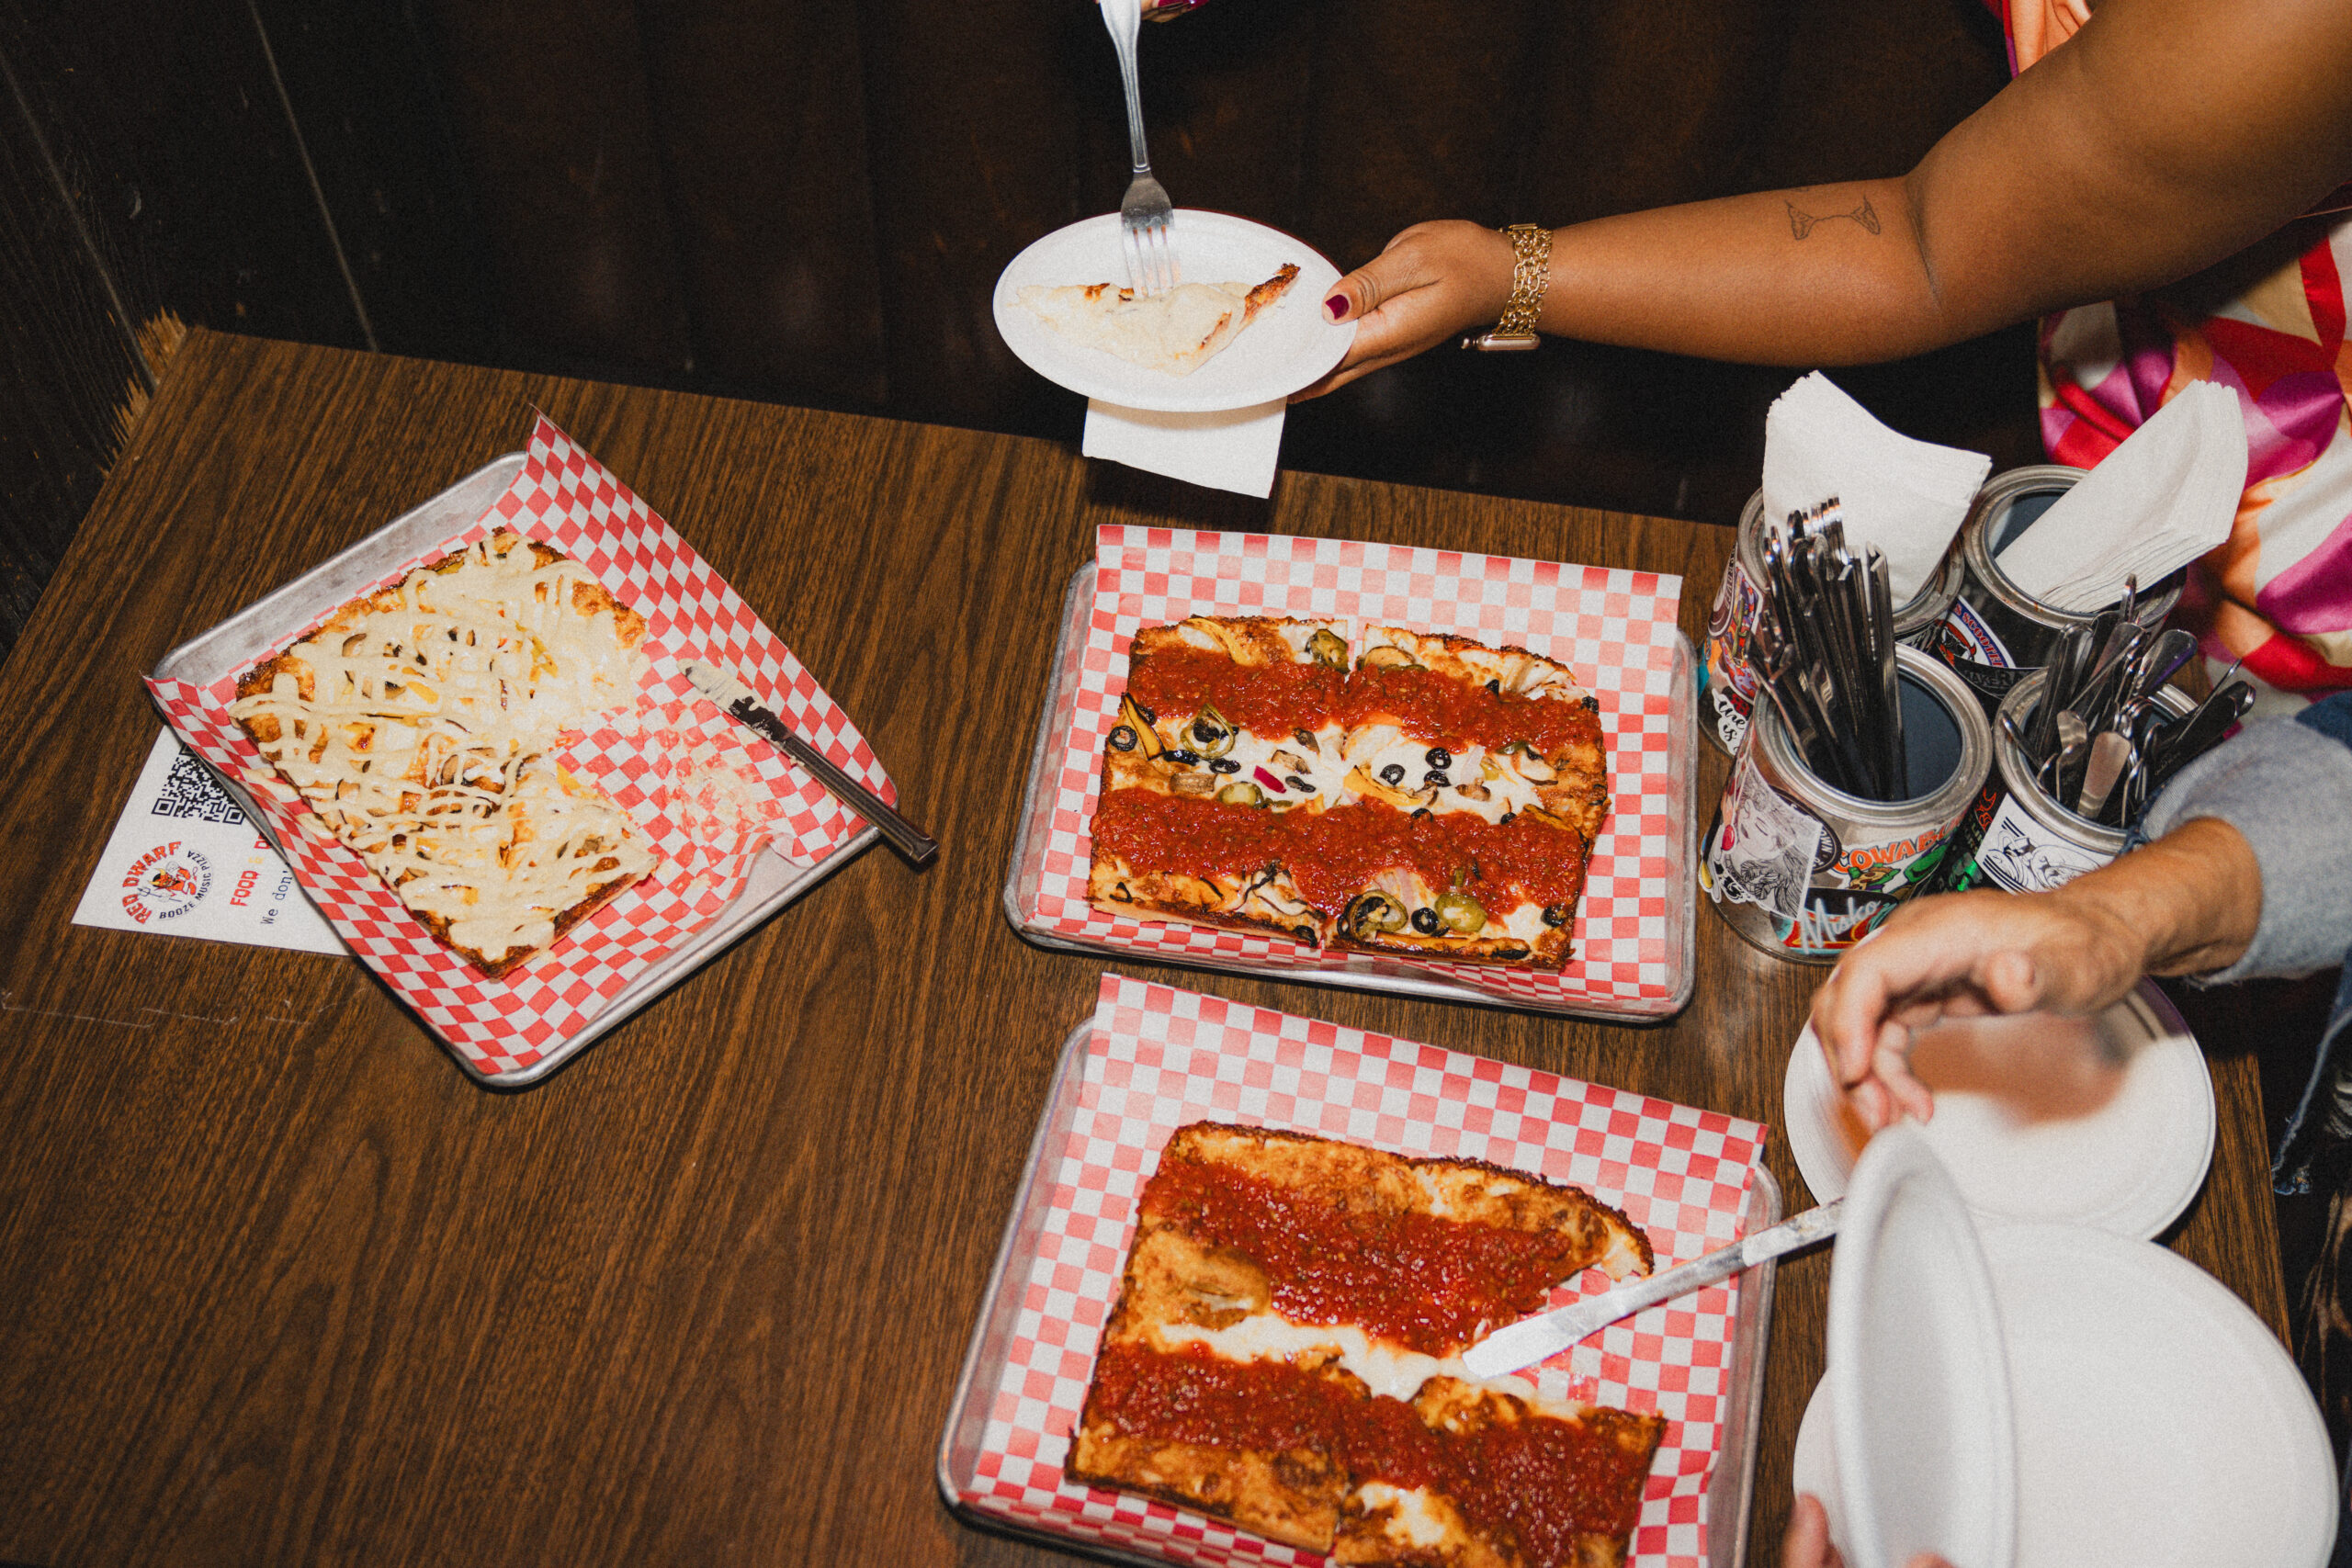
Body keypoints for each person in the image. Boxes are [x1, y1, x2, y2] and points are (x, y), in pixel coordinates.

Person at [1297, 0, 2352, 709]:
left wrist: (1509, 275)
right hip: (2129, 391)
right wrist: (1496, 272)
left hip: (2289, 553)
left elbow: (1927, 247)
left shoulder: (2269, 25)